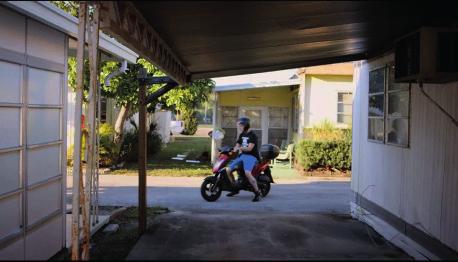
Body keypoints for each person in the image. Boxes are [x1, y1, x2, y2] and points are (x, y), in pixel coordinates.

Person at [225, 117, 262, 202]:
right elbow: (237, 145)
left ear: (245, 125)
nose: (239, 127)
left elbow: (249, 149)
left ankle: (257, 192)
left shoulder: (253, 135)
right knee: (228, 170)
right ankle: (235, 188)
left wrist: (239, 148)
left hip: (251, 156)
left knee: (247, 173)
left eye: (240, 125)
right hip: (242, 155)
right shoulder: (242, 134)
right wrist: (233, 150)